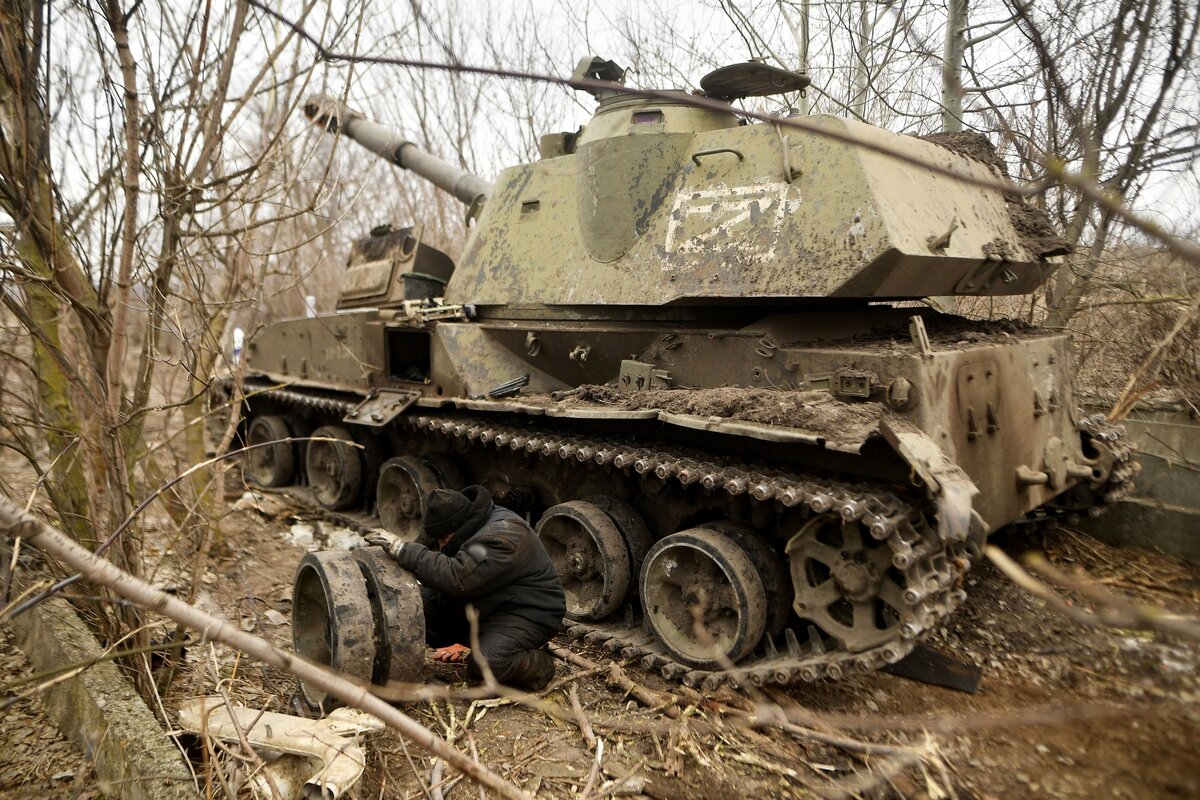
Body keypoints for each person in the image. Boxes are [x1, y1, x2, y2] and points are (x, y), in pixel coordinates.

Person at [365, 485, 565, 691]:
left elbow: (456, 577)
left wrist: (403, 550)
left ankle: (539, 666)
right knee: (411, 605)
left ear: (460, 527)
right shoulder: (472, 521)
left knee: (488, 663)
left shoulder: (500, 538)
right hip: (486, 602)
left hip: (527, 614)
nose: (442, 546)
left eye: (445, 539)